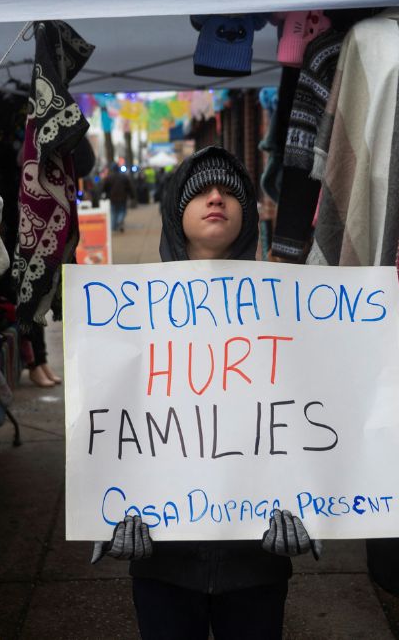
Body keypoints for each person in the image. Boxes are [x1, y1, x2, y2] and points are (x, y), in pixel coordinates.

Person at [91, 146, 319, 640]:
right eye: (201, 190)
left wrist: (315, 507)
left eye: (231, 192)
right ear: (178, 208)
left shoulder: (289, 312)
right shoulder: (128, 316)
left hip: (256, 557)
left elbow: (306, 420)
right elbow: (113, 422)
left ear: (248, 212)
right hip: (161, 557)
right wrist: (104, 515)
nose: (217, 197)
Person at [100, 162, 133, 231]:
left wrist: (104, 194)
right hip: (122, 198)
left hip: (112, 198)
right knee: (122, 211)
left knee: (113, 213)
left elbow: (104, 188)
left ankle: (113, 227)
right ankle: (119, 221)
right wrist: (132, 195)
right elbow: (129, 187)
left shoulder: (109, 178)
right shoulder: (124, 177)